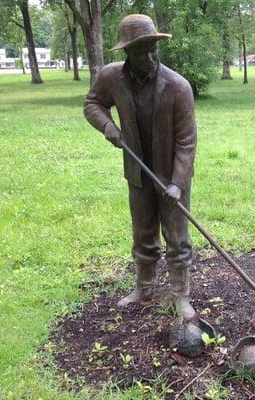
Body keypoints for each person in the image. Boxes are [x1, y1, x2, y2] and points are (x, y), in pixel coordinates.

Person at [83, 14, 197, 320]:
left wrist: (176, 183)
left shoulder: (178, 87)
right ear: (127, 53)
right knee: (143, 234)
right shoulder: (111, 78)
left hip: (172, 176)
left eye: (153, 49)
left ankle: (181, 296)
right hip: (138, 173)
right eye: (141, 51)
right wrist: (107, 125)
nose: (149, 57)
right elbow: (92, 104)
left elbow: (187, 142)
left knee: (177, 238)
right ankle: (144, 288)